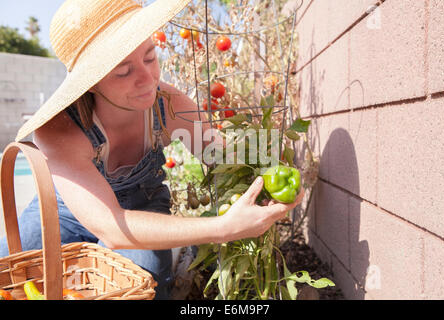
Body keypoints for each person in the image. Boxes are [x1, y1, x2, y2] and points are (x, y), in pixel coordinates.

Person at [0, 0, 304, 299]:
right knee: (11, 270)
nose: (148, 79)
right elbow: (111, 227)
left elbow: (223, 157)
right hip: (61, 211)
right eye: (123, 71)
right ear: (90, 83)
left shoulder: (168, 107)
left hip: (141, 205)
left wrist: (267, 177)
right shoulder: (62, 128)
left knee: (140, 282)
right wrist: (223, 227)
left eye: (149, 58)